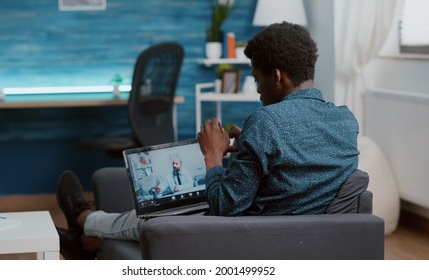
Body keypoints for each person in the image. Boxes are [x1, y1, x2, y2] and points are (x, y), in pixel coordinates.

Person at [56, 22, 359, 259]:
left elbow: (225, 207)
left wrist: (212, 156)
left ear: (277, 76)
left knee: (152, 219)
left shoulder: (267, 121)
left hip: (246, 233)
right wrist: (252, 145)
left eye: (257, 80)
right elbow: (295, 165)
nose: (257, 90)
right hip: (299, 235)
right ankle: (86, 241)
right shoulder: (346, 121)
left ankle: (83, 219)